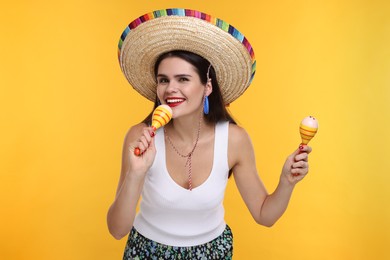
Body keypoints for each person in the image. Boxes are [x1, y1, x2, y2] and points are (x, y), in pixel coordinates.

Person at [107, 8, 312, 259]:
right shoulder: (139, 137)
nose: (170, 89)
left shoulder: (234, 140)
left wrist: (286, 182)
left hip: (212, 252)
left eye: (183, 79)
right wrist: (136, 174)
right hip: (146, 251)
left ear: (207, 87)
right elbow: (117, 229)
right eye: (163, 80)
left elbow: (264, 215)